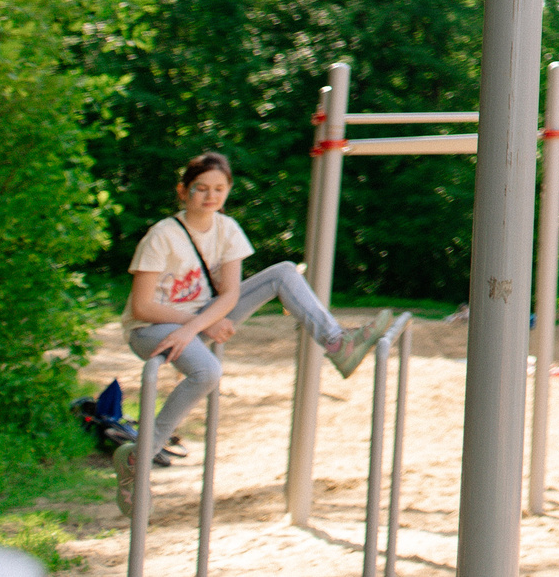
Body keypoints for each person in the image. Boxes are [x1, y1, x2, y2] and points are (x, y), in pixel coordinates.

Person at [116, 151, 396, 516]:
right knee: (207, 372)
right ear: (183, 191)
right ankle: (140, 459)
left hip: (199, 318)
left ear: (228, 191)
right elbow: (142, 307)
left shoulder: (227, 230)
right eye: (201, 188)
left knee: (283, 272)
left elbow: (231, 294)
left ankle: (336, 342)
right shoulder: (162, 236)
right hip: (154, 328)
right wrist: (197, 325)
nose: (210, 196)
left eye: (219, 189)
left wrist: (201, 323)